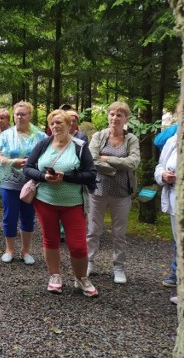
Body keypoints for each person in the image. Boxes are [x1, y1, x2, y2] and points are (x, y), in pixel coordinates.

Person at [23, 110, 98, 296]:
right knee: (51, 240)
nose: (55, 126)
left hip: (73, 204)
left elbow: (91, 174)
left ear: (69, 125)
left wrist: (67, 177)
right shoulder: (43, 144)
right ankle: (55, 276)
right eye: (52, 123)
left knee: (78, 245)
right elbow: (27, 168)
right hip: (45, 201)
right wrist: (43, 177)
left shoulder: (79, 147)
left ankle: (81, 278)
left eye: (59, 123)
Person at [86, 101, 140, 284]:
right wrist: (116, 167)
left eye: (119, 115)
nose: (115, 118)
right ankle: (89, 262)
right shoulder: (99, 136)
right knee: (93, 230)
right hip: (98, 190)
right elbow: (92, 160)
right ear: (108, 116)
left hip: (122, 193)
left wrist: (108, 158)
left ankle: (118, 267)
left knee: (119, 233)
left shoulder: (131, 140)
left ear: (126, 119)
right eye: (112, 114)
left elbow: (133, 162)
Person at [0, 101, 46, 264]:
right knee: (10, 216)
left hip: (31, 182)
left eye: (24, 114)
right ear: (13, 116)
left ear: (30, 116)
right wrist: (11, 162)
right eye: (17, 114)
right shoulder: (6, 135)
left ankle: (26, 251)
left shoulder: (40, 136)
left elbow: (47, 156)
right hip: (10, 181)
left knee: (28, 216)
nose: (20, 117)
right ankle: (9, 249)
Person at [155, 134, 178, 303]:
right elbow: (160, 166)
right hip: (176, 200)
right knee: (180, 243)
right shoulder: (173, 140)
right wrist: (163, 175)